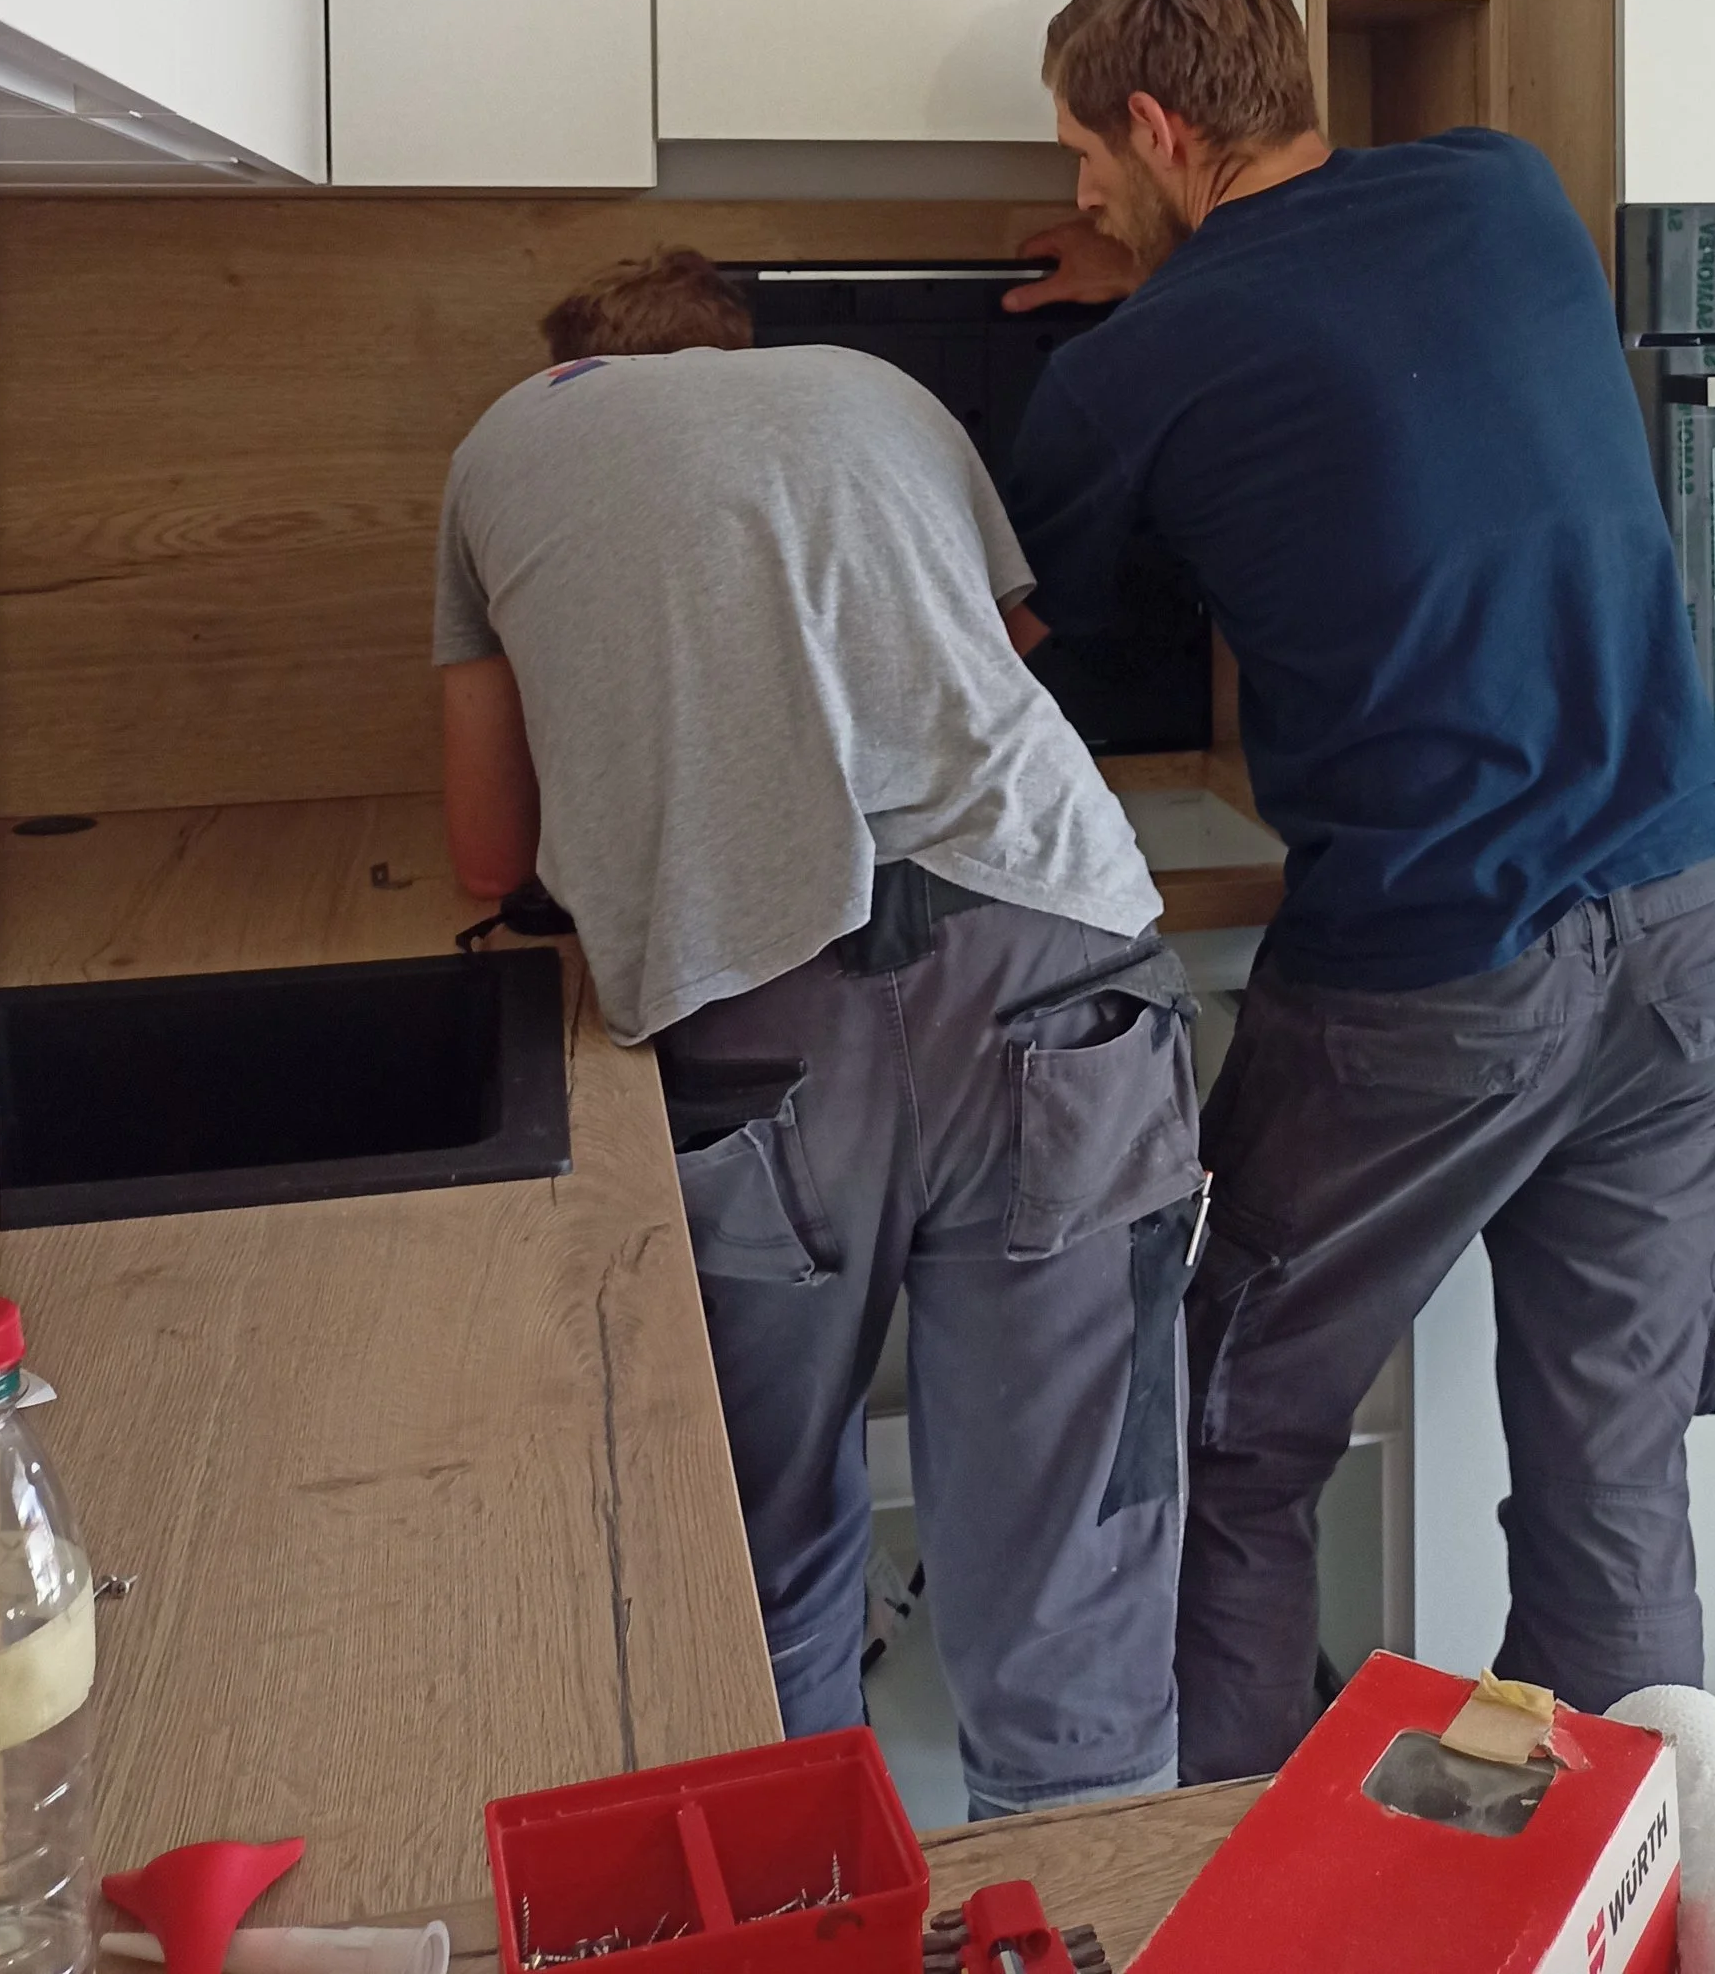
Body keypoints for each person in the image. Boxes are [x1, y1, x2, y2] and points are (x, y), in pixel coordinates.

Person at [998, 0, 1715, 1784]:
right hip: (1692, 925)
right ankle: (1594, 1882)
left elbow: (1025, 633)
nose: (1079, 200)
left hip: (1444, 976)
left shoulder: (1137, 372)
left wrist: (1128, 324)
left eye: (1083, 162)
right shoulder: (1507, 187)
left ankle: (1254, 1891)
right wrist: (1166, 272)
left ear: (1154, 123)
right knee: (1613, 1468)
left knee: (1232, 1433)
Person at [433, 247, 1202, 1817]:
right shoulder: (886, 393)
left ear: (575, 352)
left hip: (754, 1009)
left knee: (761, 1547)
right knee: (1074, 1559)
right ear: (735, 343)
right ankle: (1082, 1902)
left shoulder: (505, 438)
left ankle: (789, 1904)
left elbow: (488, 855)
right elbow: (1007, 654)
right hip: (1054, 959)